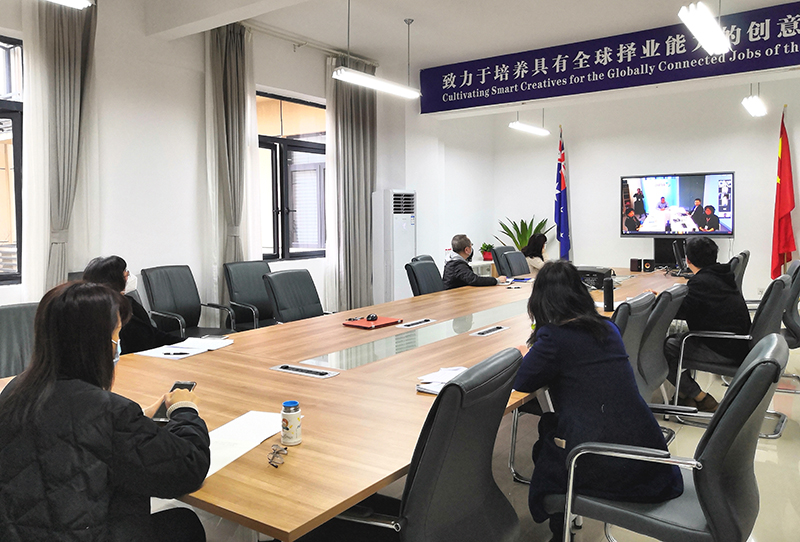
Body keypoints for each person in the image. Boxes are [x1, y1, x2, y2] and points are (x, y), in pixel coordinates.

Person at [0, 282, 210, 542]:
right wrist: (184, 409)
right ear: (95, 343)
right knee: (186, 524)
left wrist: (138, 419)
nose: (118, 344)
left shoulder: (15, 391)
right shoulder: (109, 412)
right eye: (116, 335)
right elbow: (189, 467)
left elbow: (68, 436)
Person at [514, 261, 683, 540]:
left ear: (541, 301)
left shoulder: (554, 338)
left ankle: (560, 531)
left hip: (609, 462)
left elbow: (521, 382)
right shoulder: (608, 328)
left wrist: (531, 350)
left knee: (546, 444)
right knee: (550, 428)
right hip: (645, 454)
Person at [662, 237, 750, 412]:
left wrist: (659, 301)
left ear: (688, 260)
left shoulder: (701, 282)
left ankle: (699, 397)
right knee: (676, 340)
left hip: (725, 349)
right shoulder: (722, 275)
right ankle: (684, 396)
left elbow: (679, 312)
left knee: (666, 348)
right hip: (738, 342)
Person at [83, 255, 182, 355]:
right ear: (116, 281)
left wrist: (185, 342)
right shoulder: (116, 309)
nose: (128, 278)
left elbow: (152, 334)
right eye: (126, 275)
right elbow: (149, 338)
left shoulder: (128, 303)